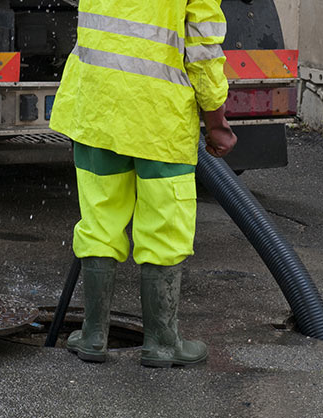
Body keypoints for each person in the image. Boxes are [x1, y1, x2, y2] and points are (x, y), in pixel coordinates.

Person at [49, 0, 237, 368]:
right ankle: (162, 343)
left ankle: (92, 336)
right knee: (164, 226)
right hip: (159, 118)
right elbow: (203, 48)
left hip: (96, 107)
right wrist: (216, 118)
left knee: (100, 222)